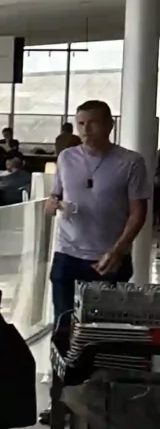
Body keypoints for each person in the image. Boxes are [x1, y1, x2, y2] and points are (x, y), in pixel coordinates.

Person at [46, 99, 151, 341]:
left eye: (92, 123)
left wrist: (118, 250)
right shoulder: (66, 158)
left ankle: (100, 377)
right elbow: (56, 194)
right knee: (63, 324)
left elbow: (138, 212)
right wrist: (52, 203)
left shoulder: (130, 162)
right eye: (81, 123)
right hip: (67, 253)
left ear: (109, 125)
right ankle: (65, 377)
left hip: (108, 258)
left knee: (104, 330)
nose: (85, 130)